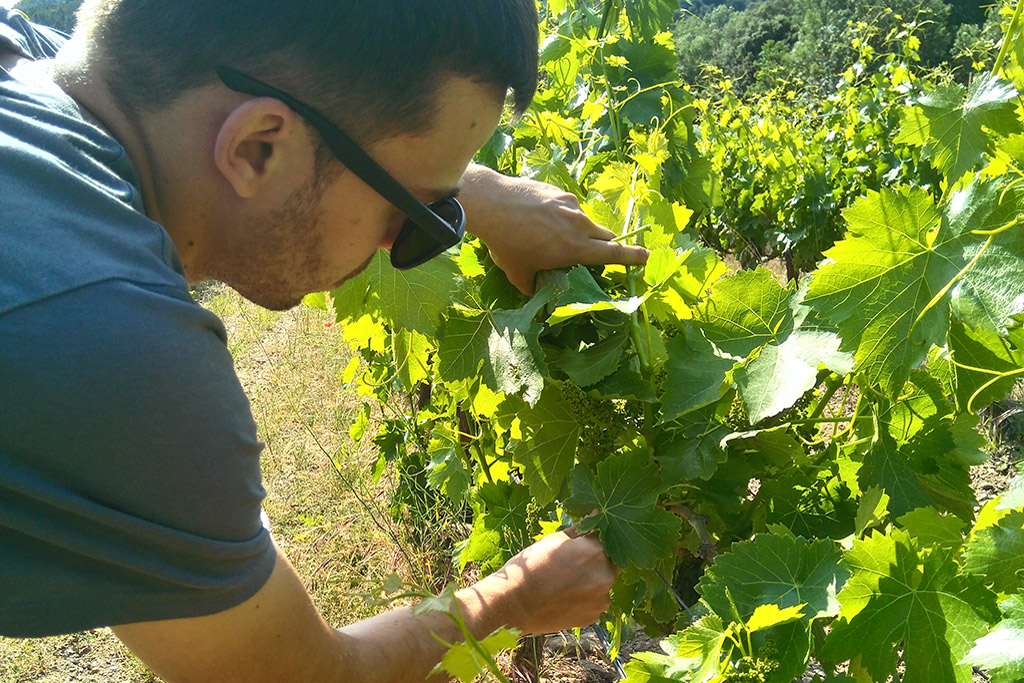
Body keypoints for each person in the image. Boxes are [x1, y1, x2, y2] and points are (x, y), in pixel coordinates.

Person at [0, 2, 649, 681]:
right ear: (257, 148)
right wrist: (510, 595)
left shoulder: (41, 61)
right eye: (411, 216)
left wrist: (477, 194)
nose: (411, 244)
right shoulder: (113, 344)